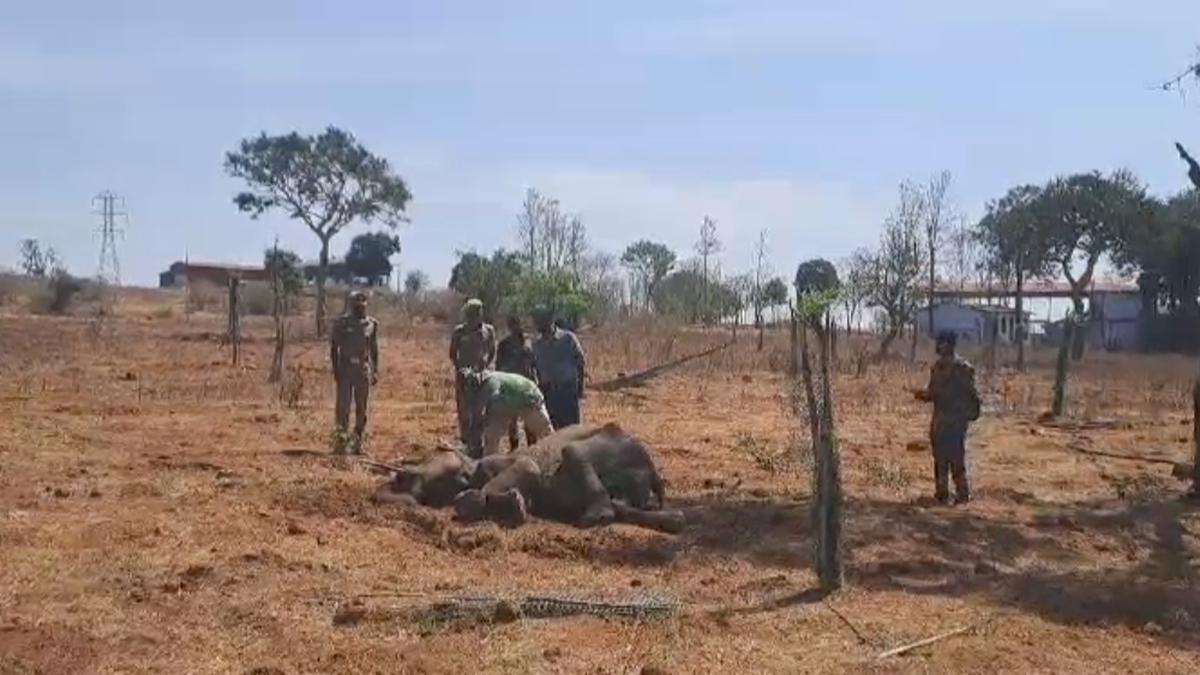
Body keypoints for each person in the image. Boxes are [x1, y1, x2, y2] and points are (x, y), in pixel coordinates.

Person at [915, 331, 981, 505]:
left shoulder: (962, 368)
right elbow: (934, 393)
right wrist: (923, 395)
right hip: (940, 418)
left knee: (956, 457)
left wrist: (970, 414)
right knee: (940, 458)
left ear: (950, 345)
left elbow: (971, 395)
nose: (938, 345)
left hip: (955, 419)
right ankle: (942, 493)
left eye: (941, 342)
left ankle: (962, 494)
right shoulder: (937, 367)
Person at [461, 369, 554, 458]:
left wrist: (476, 426)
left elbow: (480, 409)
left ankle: (556, 455)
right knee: (491, 435)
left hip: (528, 398)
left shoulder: (490, 383)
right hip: (505, 404)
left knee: (545, 433)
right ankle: (489, 462)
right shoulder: (486, 386)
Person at [330, 290, 380, 454]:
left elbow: (374, 349)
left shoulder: (372, 324)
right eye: (356, 305)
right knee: (343, 408)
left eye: (362, 305)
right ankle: (340, 443)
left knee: (362, 409)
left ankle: (358, 443)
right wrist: (336, 370)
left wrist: (375, 370)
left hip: (362, 370)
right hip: (345, 369)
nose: (360, 308)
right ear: (351, 306)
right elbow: (334, 347)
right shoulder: (342, 323)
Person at [448, 299, 496, 447]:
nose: (476, 314)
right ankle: (466, 441)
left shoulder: (488, 330)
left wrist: (485, 365)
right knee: (464, 410)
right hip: (464, 376)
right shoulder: (459, 331)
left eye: (479, 311)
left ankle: (478, 442)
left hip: (482, 376)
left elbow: (492, 350)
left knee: (481, 408)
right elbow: (452, 353)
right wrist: (460, 368)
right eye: (474, 311)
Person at [531, 306, 586, 429]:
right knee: (554, 432)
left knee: (572, 430)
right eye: (535, 320)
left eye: (539, 320)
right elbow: (535, 370)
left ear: (549, 319)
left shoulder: (568, 338)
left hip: (567, 391)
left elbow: (580, 362)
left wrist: (580, 388)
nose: (536, 324)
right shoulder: (536, 345)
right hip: (548, 393)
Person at [496, 315, 539, 449]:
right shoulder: (504, 345)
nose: (516, 327)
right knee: (512, 422)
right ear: (509, 326)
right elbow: (499, 367)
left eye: (518, 324)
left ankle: (532, 449)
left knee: (530, 420)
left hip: (527, 385)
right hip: (512, 385)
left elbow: (536, 363)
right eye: (513, 324)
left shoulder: (529, 342)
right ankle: (514, 449)